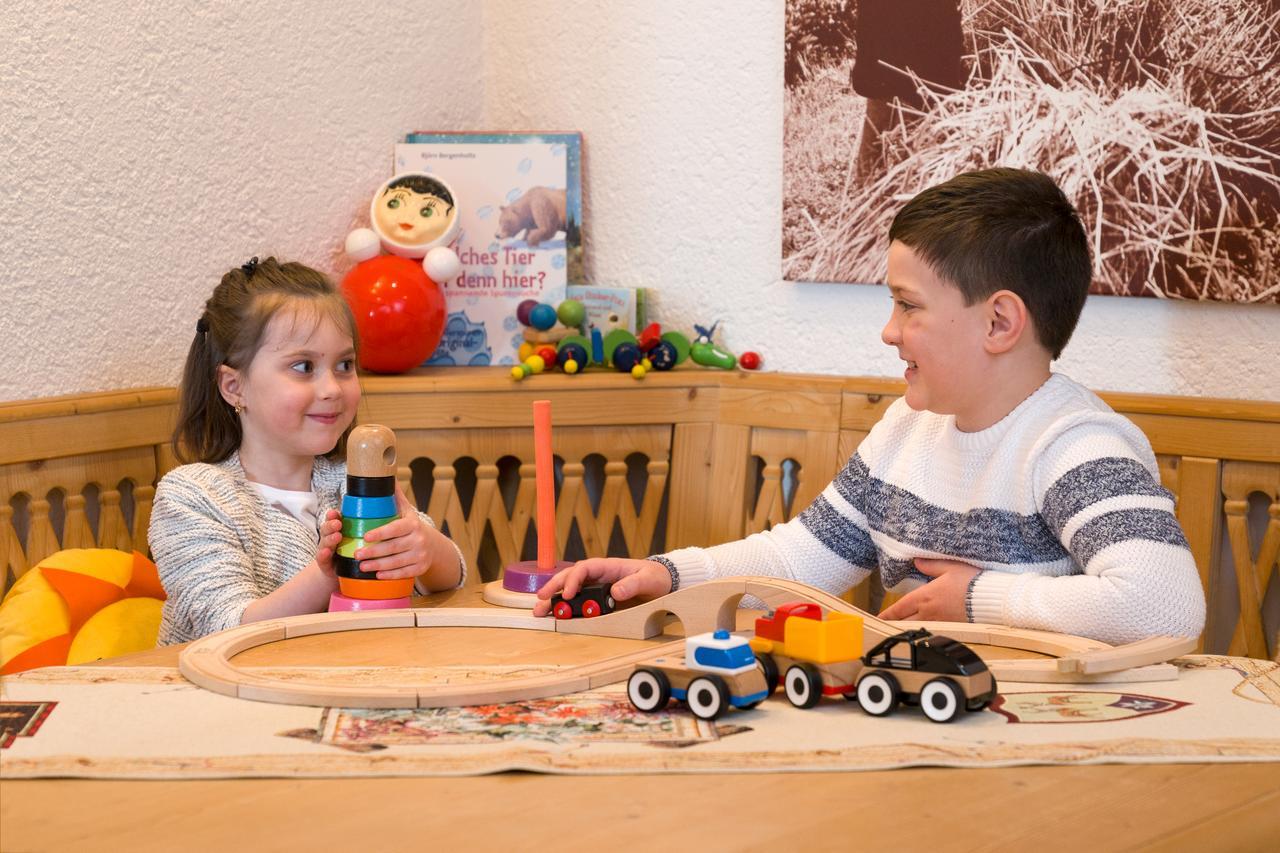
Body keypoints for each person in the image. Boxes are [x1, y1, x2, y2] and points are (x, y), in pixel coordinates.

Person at [535, 169, 1206, 646]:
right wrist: (668, 573)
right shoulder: (906, 429)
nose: (889, 330)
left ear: (1000, 322)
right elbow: (804, 559)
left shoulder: (1074, 446)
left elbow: (1164, 604)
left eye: (908, 305)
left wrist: (977, 600)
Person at [150, 256, 464, 644]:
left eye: (345, 364)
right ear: (234, 387)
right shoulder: (193, 496)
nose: (333, 388)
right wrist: (327, 576)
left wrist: (425, 550)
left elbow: (450, 579)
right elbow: (225, 630)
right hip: (227, 694)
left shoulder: (351, 479)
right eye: (303, 367)